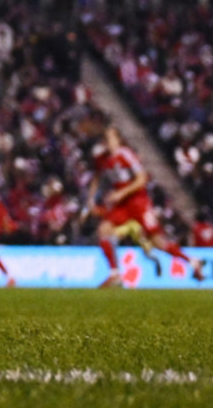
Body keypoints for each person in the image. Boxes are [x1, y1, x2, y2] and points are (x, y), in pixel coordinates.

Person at [86, 120, 204, 287]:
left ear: (118, 139)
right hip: (122, 205)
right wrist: (91, 198)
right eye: (106, 138)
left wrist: (121, 192)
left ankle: (192, 261)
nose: (109, 142)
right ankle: (115, 273)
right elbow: (97, 177)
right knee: (104, 230)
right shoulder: (103, 158)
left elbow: (142, 179)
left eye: (111, 138)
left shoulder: (126, 154)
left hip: (139, 202)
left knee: (158, 242)